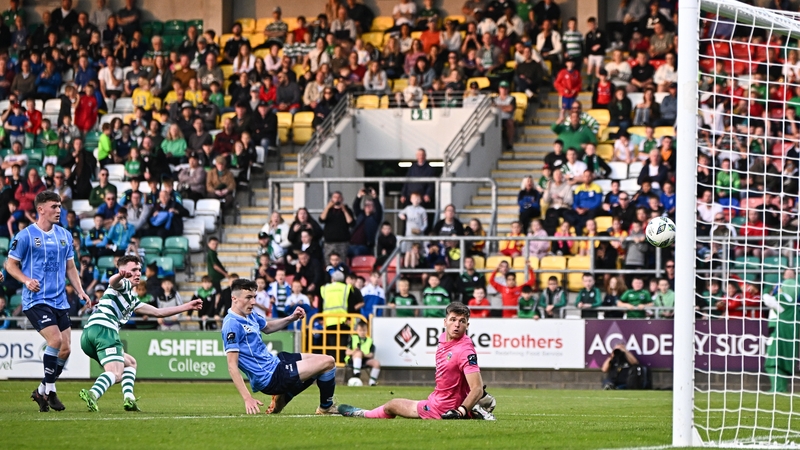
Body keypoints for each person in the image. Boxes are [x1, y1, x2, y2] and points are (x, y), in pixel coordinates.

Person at [78, 256, 202, 412]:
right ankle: (92, 394)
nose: (138, 273)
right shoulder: (123, 285)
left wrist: (187, 306)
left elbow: (158, 312)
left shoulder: (132, 299)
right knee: (116, 373)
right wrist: (120, 275)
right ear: (123, 271)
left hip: (89, 334)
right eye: (134, 270)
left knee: (130, 363)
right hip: (105, 330)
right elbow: (112, 281)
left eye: (139, 270)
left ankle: (129, 399)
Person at [6, 191, 90, 412]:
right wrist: (26, 280)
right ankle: (51, 391)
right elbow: (10, 265)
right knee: (55, 340)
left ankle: (41, 390)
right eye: (54, 206)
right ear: (40, 209)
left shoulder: (65, 235)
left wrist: (80, 291)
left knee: (66, 349)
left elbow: (70, 267)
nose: (58, 210)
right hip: (36, 300)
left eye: (59, 206)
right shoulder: (25, 236)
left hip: (59, 300)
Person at [338, 302, 495, 420]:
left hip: (442, 409)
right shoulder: (443, 339)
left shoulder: (465, 350)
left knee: (392, 405)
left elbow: (477, 387)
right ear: (445, 322)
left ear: (467, 325)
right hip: (438, 398)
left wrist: (459, 411)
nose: (457, 325)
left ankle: (361, 413)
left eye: (462, 321)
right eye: (453, 319)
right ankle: (476, 408)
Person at [222, 278, 338, 415]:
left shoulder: (249, 314)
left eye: (254, 297)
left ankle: (283, 397)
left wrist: (291, 318)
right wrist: (247, 398)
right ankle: (326, 407)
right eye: (248, 297)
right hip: (270, 377)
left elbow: (268, 327)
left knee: (321, 361)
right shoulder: (232, 324)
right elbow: (232, 365)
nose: (253, 302)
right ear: (234, 298)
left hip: (276, 363)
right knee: (328, 362)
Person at [320, 191, 355, 261]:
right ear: (332, 199)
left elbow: (351, 223)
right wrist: (327, 208)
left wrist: (344, 210)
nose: (337, 199)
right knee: (328, 261)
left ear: (342, 199)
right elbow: (321, 219)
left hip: (343, 242)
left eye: (339, 197)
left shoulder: (347, 209)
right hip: (329, 242)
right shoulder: (328, 210)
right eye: (335, 197)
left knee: (341, 262)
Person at [345, 321, 381, 386]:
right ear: (357, 330)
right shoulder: (353, 339)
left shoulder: (369, 341)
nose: (362, 332)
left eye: (364, 330)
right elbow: (347, 352)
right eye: (360, 330)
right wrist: (355, 351)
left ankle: (372, 382)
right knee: (358, 353)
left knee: (376, 363)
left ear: (367, 330)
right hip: (353, 359)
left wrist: (363, 354)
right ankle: (356, 374)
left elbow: (371, 354)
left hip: (365, 359)